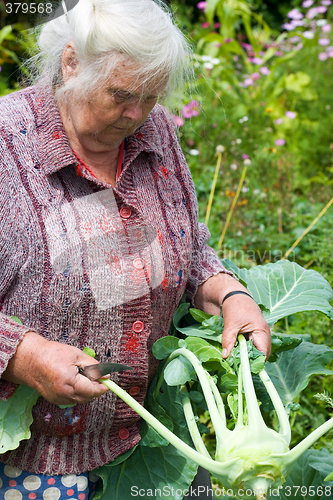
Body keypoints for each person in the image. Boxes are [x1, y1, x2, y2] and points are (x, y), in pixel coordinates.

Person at [0, 0, 270, 498]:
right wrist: (26, 355)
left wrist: (229, 293)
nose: (136, 113)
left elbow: (188, 249)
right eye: (122, 94)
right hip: (42, 465)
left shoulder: (153, 130)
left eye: (151, 96)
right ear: (71, 63)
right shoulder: (7, 146)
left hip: (164, 446)